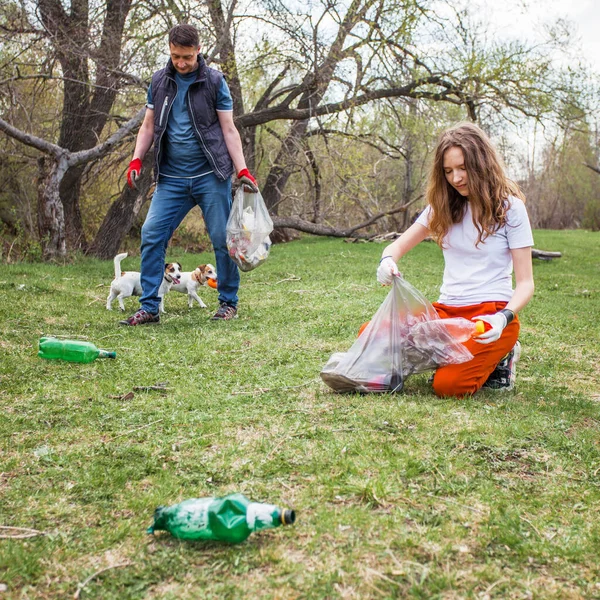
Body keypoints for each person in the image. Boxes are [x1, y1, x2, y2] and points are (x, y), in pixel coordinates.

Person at [377, 122, 535, 397]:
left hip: (489, 317)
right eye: (448, 171)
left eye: (463, 168)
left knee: (448, 386)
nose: (456, 178)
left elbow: (526, 283)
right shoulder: (443, 206)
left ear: (481, 164)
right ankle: (454, 355)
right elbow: (397, 245)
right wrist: (387, 260)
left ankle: (502, 357)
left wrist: (503, 318)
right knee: (375, 333)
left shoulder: (510, 207)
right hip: (446, 312)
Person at [120, 23, 258, 325]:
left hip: (211, 175)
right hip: (171, 178)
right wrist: (135, 160)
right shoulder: (159, 82)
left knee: (223, 239)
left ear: (198, 50)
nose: (181, 63)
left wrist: (242, 169)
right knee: (151, 234)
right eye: (175, 56)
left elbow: (229, 129)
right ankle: (150, 307)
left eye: (186, 57)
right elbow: (147, 126)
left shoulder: (215, 82)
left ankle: (227, 302)